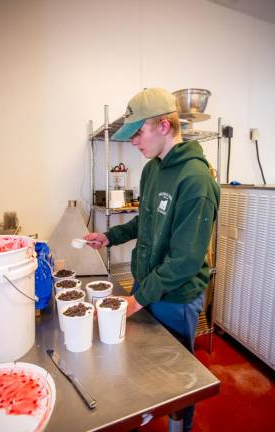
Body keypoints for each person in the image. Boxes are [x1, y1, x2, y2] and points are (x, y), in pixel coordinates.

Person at [84, 87, 220, 432]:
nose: (133, 143)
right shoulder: (153, 170)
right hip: (148, 286)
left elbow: (186, 260)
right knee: (149, 367)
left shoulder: (196, 179)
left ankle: (179, 427)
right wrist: (109, 236)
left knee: (178, 379)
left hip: (176, 297)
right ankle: (153, 411)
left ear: (163, 125)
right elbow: (145, 220)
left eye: (138, 133)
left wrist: (138, 299)